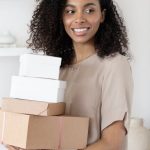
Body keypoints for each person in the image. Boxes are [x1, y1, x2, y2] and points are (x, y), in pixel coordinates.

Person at [7, 0, 133, 149]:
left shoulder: (114, 65)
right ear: (60, 17)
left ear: (102, 15)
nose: (79, 19)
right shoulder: (57, 68)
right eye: (70, 11)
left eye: (89, 10)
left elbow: (112, 143)